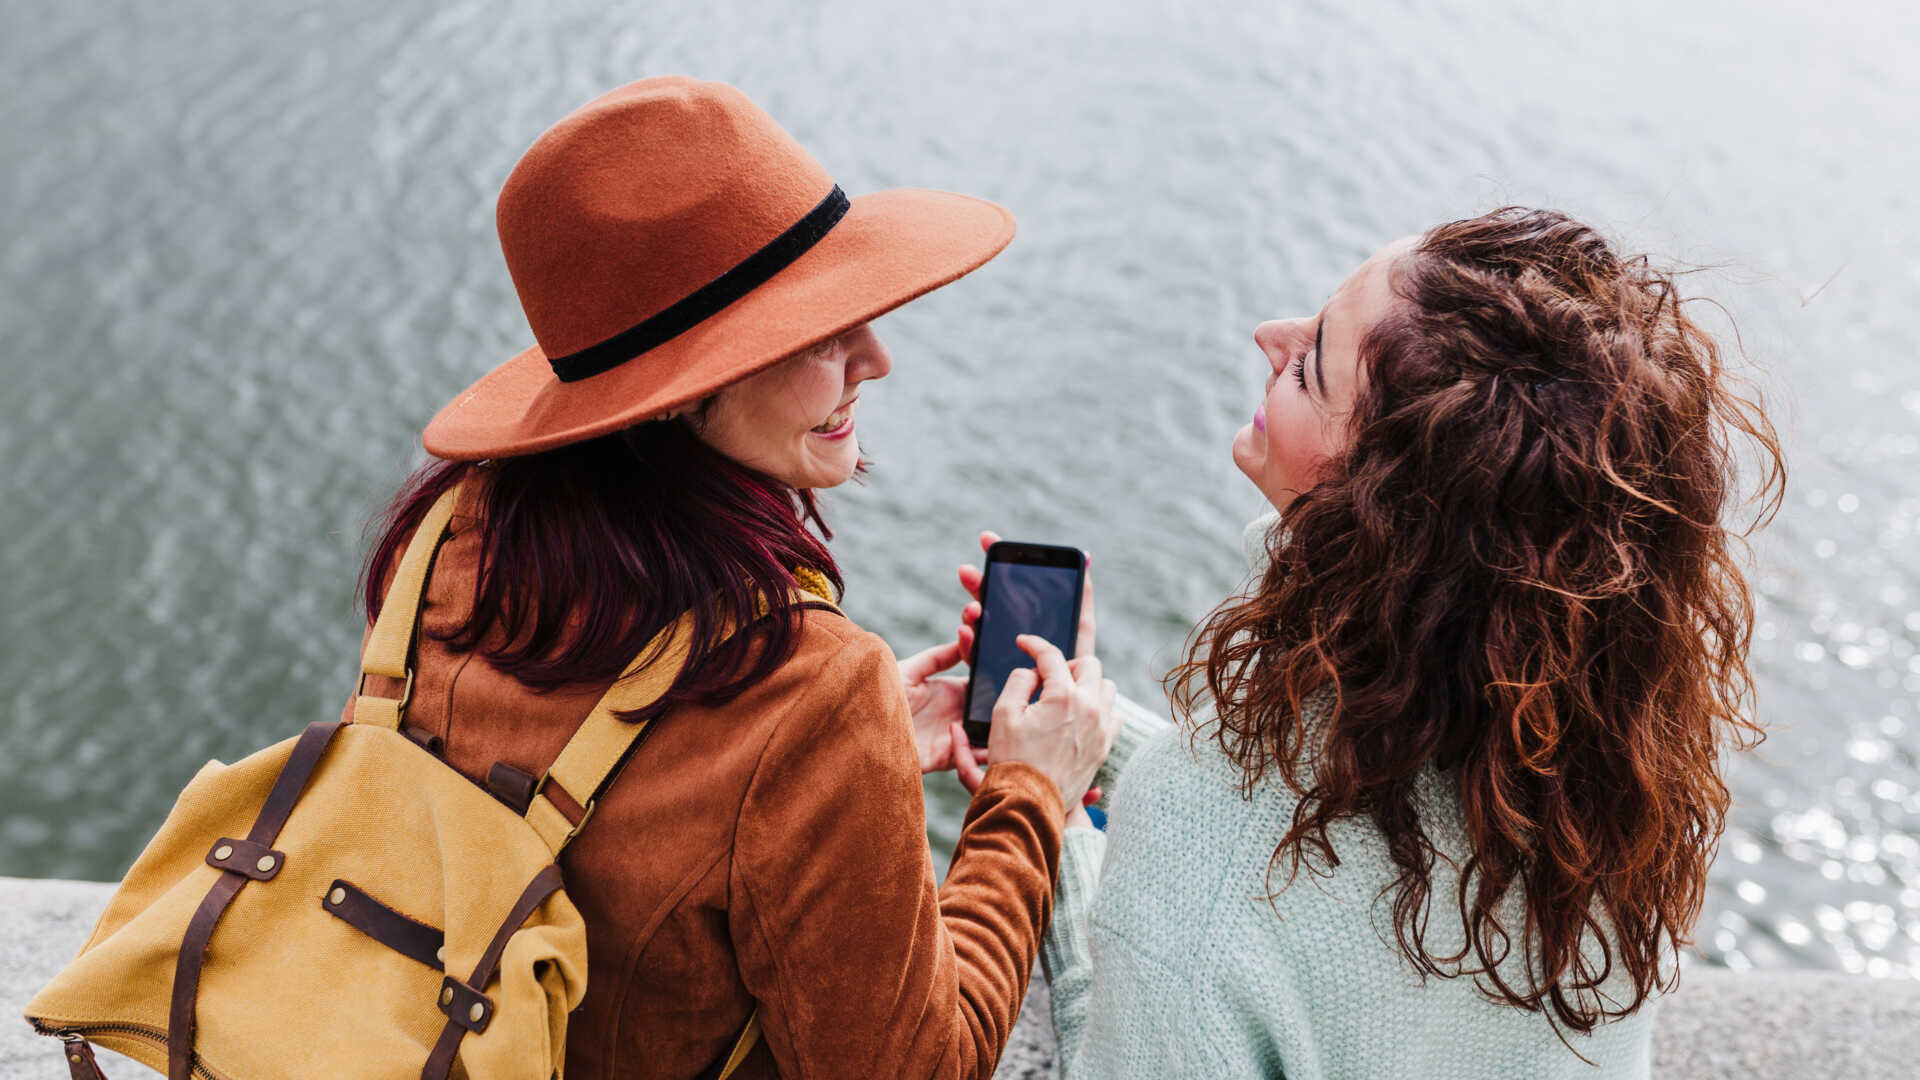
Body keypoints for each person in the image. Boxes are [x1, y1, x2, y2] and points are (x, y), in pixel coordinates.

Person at [352, 76, 1117, 1079]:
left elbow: (618, 800)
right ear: (681, 394)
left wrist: (843, 765)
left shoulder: (451, 538)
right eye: (822, 333)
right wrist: (1029, 792)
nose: (875, 358)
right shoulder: (804, 684)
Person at [992, 208, 1783, 1078]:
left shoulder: (1202, 830)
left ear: (1381, 499)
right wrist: (1098, 741)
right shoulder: (1617, 772)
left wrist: (1059, 836)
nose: (1269, 336)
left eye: (1310, 363)